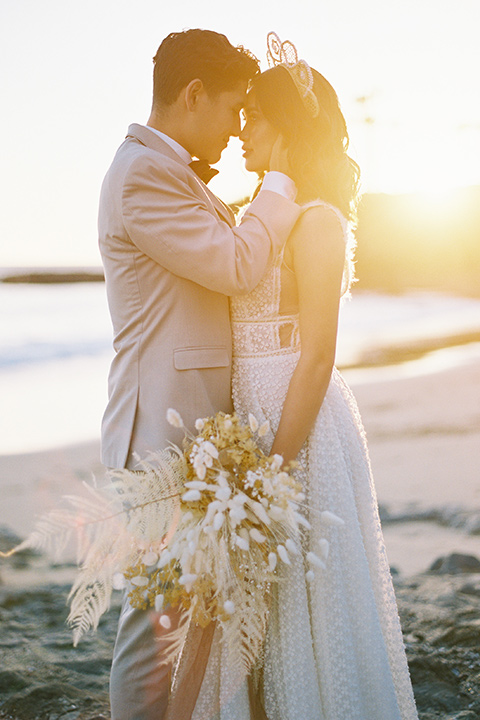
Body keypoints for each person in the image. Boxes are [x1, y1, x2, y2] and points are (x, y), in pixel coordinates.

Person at [186, 34, 419, 719]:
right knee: (255, 595)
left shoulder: (317, 222)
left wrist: (274, 469)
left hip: (300, 419)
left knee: (307, 590)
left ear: (285, 124)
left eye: (254, 114)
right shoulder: (258, 215)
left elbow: (318, 354)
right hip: (245, 417)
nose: (241, 129)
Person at [98, 29, 301, 720]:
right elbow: (238, 264)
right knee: (154, 622)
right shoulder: (143, 175)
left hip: (195, 428)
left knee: (185, 609)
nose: (239, 125)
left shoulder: (168, 172)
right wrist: (282, 180)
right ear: (192, 95)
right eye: (233, 107)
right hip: (160, 429)